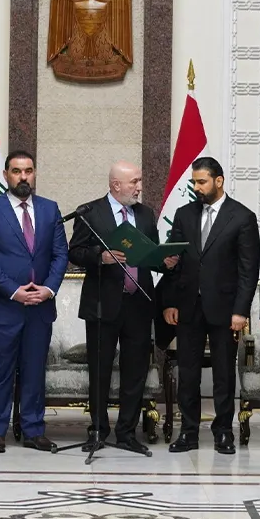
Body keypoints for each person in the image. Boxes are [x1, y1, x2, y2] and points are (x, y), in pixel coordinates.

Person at [161, 157, 259, 455]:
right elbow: (173, 263)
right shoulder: (183, 214)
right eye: (193, 182)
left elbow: (248, 270)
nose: (196, 187)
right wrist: (169, 302)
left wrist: (241, 311)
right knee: (188, 373)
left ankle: (223, 432)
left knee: (223, 374)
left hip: (226, 310)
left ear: (219, 181)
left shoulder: (242, 217)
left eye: (201, 182)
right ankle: (188, 432)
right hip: (188, 307)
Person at [0, 150, 69, 453]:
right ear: (6, 176)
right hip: (5, 306)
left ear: (35, 173)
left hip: (40, 307)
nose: (23, 176)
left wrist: (49, 289)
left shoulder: (50, 209)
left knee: (33, 371)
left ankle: (32, 430)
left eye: (28, 170)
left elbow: (60, 254)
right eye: (17, 171)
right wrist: (13, 290)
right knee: (0, 371)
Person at [67, 161, 160, 453]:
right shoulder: (90, 212)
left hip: (139, 304)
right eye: (134, 181)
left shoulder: (145, 214)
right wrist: (100, 256)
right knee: (100, 370)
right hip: (102, 303)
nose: (139, 187)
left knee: (135, 371)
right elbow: (75, 252)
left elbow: (151, 254)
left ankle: (127, 432)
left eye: (140, 180)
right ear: (116, 185)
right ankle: (98, 429)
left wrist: (164, 259)